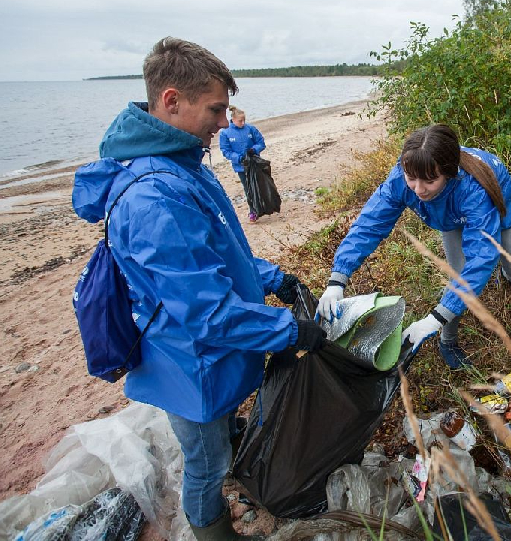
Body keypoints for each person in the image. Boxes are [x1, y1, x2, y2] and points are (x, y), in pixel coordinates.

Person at [72, 37, 327, 541]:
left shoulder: (182, 163)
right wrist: (289, 330)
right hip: (190, 363)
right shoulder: (153, 195)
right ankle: (214, 531)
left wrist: (279, 278)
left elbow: (218, 252)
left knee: (220, 439)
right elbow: (207, 313)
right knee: (205, 465)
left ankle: (233, 465)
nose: (220, 120)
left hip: (210, 355)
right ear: (172, 100)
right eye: (214, 109)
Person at [316, 124, 511, 370]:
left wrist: (434, 318)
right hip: (451, 216)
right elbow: (369, 224)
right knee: (458, 275)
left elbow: (482, 256)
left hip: (497, 201)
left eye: (429, 181)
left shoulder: (474, 190)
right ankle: (448, 341)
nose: (419, 190)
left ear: (449, 173)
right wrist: (337, 280)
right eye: (412, 179)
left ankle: (508, 276)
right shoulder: (401, 178)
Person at [219, 105, 266, 223]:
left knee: (259, 185)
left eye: (244, 120)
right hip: (240, 166)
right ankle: (253, 211)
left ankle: (263, 206)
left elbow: (261, 142)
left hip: (254, 163)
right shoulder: (225, 133)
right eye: (240, 121)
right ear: (233, 119)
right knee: (248, 188)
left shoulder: (250, 129)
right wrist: (238, 158)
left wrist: (254, 150)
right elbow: (226, 151)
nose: (243, 122)